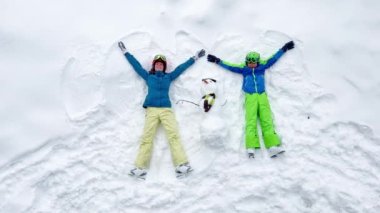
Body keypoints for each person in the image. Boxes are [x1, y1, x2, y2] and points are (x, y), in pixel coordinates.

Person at [118, 41, 205, 179]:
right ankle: (140, 168)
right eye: (157, 63)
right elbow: (136, 66)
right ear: (154, 65)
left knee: (173, 135)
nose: (159, 65)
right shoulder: (148, 76)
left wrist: (194, 57)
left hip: (165, 109)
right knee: (147, 138)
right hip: (152, 110)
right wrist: (126, 52)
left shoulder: (169, 77)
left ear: (164, 67)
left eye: (161, 64)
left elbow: (181, 68)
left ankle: (181, 166)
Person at [207, 41, 295, 158]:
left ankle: (272, 146)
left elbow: (274, 58)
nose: (251, 65)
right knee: (251, 120)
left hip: (262, 96)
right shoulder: (244, 69)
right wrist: (218, 61)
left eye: (253, 63)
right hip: (250, 97)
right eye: (249, 63)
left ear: (258, 62)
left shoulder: (263, 66)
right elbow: (230, 66)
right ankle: (251, 146)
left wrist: (284, 49)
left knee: (266, 120)